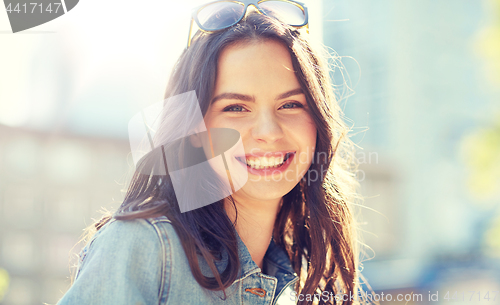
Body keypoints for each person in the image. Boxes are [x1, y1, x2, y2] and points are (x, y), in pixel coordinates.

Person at [57, 0, 365, 304]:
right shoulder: (145, 247)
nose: (269, 132)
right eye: (236, 108)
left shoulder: (306, 280)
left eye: (290, 105)